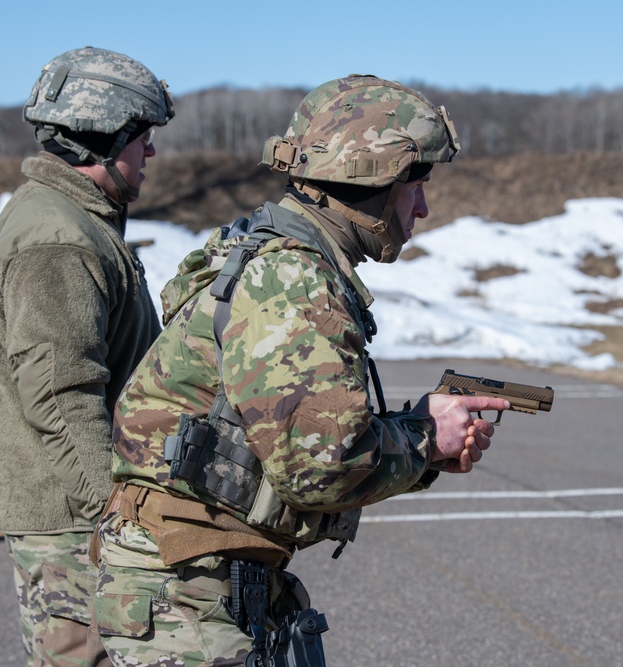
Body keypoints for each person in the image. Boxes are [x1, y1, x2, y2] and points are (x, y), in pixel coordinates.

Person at [92, 74, 510, 666]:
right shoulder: (290, 279)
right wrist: (425, 437)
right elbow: (321, 469)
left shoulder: (271, 254)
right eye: (414, 185)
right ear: (370, 179)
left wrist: (420, 437)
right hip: (186, 586)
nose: (422, 206)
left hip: (200, 573)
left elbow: (295, 437)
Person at [0, 46, 174, 666]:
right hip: (75, 528)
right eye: (143, 138)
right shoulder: (58, 240)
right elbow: (61, 400)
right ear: (103, 139)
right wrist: (117, 525)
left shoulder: (66, 221)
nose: (152, 154)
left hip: (73, 516)